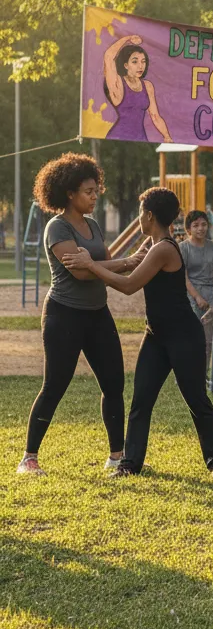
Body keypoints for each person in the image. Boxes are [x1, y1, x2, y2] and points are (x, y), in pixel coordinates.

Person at [62, 187, 213, 476]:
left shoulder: (165, 248)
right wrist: (88, 266)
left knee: (196, 399)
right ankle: (130, 464)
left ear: (150, 215)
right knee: (141, 401)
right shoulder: (153, 247)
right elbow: (125, 265)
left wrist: (90, 264)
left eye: (141, 212)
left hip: (183, 336)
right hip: (156, 336)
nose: (139, 217)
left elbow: (128, 285)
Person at [18, 153, 141, 476]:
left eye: (95, 189)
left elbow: (102, 265)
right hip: (64, 316)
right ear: (69, 193)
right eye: (88, 191)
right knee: (55, 385)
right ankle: (29, 457)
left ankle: (117, 456)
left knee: (113, 384)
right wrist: (124, 263)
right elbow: (83, 274)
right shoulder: (56, 229)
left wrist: (112, 263)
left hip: (98, 314)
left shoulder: (94, 225)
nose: (94, 195)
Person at [102, 35, 172, 142]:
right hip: (118, 139)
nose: (140, 66)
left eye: (143, 61)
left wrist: (167, 136)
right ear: (126, 65)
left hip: (140, 139)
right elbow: (108, 56)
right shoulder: (117, 83)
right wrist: (127, 39)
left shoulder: (147, 86)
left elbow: (155, 116)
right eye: (135, 62)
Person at [180, 210, 213, 370]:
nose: (200, 228)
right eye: (196, 225)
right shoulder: (183, 247)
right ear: (188, 229)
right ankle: (185, 372)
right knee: (190, 337)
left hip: (210, 294)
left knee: (208, 339)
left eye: (204, 224)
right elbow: (183, 277)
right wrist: (196, 297)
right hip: (190, 295)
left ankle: (203, 373)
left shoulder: (212, 246)